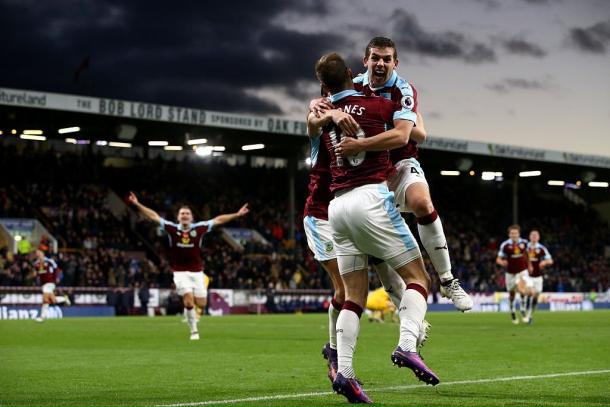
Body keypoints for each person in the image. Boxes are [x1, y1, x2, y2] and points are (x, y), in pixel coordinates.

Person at [308, 53, 439, 404]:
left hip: (336, 208)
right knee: (419, 278)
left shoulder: (321, 114)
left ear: (324, 86)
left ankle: (345, 375)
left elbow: (311, 116)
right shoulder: (378, 105)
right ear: (354, 73)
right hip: (371, 199)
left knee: (353, 297)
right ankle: (407, 344)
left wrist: (333, 111)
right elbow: (406, 135)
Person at [310, 37, 472, 312]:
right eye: (375, 58)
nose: (380, 63)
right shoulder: (355, 84)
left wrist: (361, 143)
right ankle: (405, 310)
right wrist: (324, 107)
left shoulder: (403, 89)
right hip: (369, 175)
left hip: (399, 162)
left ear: (395, 63)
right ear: (366, 61)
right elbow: (321, 105)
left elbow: (404, 136)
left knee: (422, 202)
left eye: (386, 59)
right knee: (372, 244)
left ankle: (448, 280)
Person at [127, 192, 249, 340]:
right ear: (178, 217)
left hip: (197, 272)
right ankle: (194, 331)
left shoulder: (199, 228)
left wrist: (236, 215)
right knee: (189, 301)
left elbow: (218, 220)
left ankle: (189, 311)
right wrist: (137, 204)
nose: (184, 215)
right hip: (180, 272)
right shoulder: (172, 228)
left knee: (202, 304)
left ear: (191, 217)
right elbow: (153, 216)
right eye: (182, 213)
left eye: (187, 213)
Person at [496, 225, 531, 324]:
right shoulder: (505, 245)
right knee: (512, 294)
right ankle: (512, 310)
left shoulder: (524, 243)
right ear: (509, 234)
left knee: (523, 291)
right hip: (510, 273)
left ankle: (523, 310)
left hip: (522, 271)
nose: (514, 235)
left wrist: (530, 265)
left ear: (519, 234)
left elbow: (527, 255)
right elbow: (498, 259)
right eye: (512, 233)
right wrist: (502, 262)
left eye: (515, 233)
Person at [524, 229, 553, 324]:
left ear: (539, 237)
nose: (534, 237)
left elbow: (550, 260)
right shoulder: (524, 247)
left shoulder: (542, 248)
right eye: (532, 235)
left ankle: (530, 315)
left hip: (538, 277)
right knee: (531, 293)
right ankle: (525, 307)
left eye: (536, 235)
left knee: (536, 297)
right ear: (529, 237)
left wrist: (544, 262)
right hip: (527, 276)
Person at [34, 249, 69, 322]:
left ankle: (42, 317)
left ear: (43, 253)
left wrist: (58, 277)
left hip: (50, 282)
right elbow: (37, 274)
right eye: (37, 253)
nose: (38, 254)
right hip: (43, 284)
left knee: (45, 299)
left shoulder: (50, 261)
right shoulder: (36, 264)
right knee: (53, 300)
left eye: (39, 253)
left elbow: (57, 269)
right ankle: (64, 299)